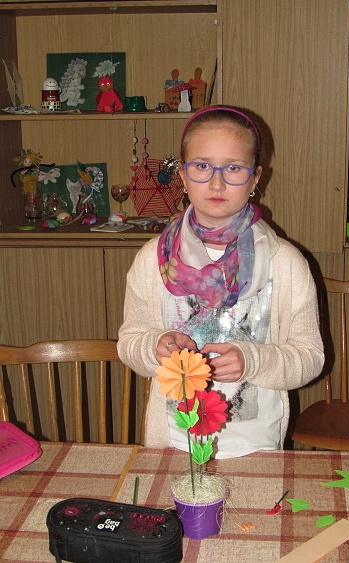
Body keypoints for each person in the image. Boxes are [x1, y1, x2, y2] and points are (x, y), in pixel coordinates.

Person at [117, 105, 324, 458]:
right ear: (183, 176)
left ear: (255, 179)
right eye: (202, 166)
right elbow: (129, 344)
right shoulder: (152, 260)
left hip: (256, 448)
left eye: (233, 168)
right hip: (173, 444)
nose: (217, 183)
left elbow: (310, 358)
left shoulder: (286, 263)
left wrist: (253, 360)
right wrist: (155, 346)